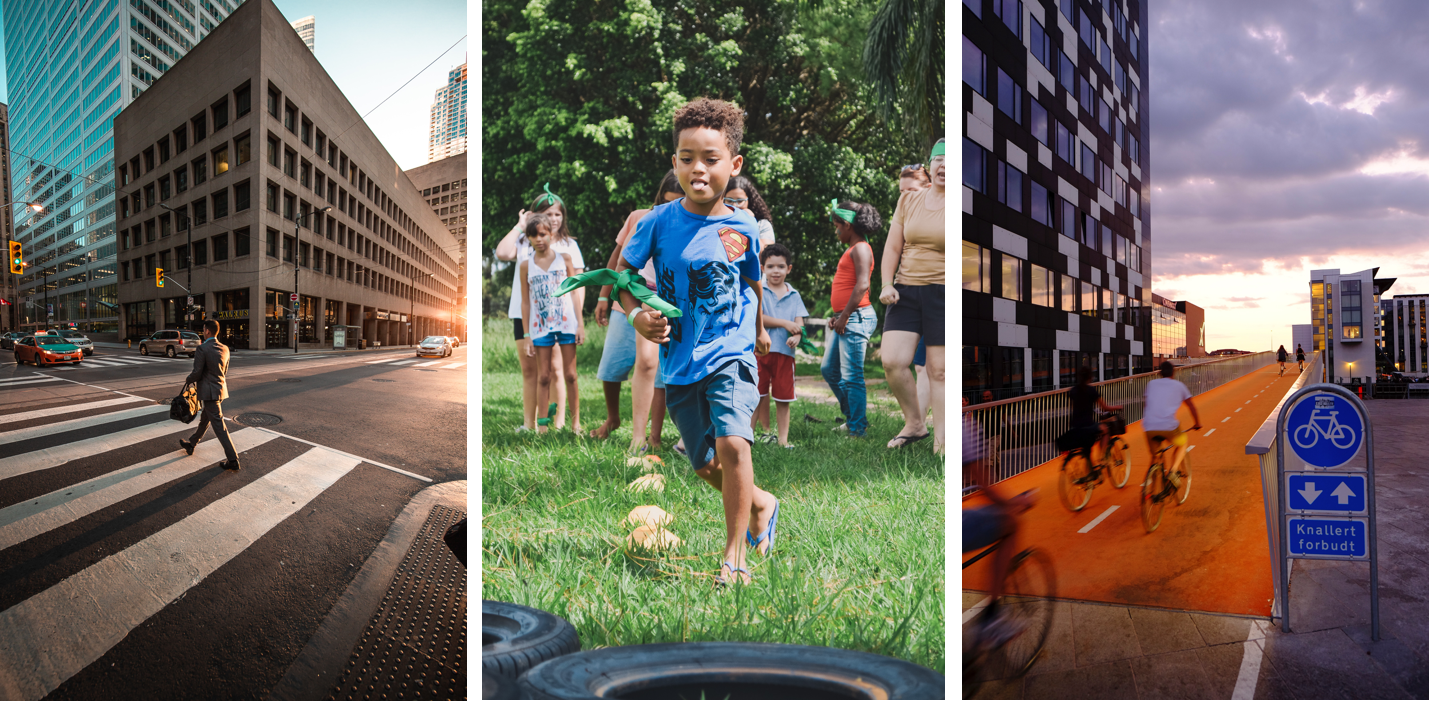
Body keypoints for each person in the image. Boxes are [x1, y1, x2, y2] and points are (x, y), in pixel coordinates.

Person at [616, 97, 780, 586]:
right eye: (687, 158)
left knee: (733, 443)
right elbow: (623, 277)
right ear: (674, 164)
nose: (699, 169)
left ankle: (734, 559)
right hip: (681, 359)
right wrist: (637, 317)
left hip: (731, 352)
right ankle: (761, 503)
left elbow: (749, 282)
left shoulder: (743, 225)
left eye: (711, 159)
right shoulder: (656, 224)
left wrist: (758, 330)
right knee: (704, 463)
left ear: (734, 164)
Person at [590, 171, 686, 452]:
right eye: (667, 203)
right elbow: (618, 260)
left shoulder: (691, 224)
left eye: (679, 203)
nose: (673, 210)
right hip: (630, 296)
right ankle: (616, 420)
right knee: (613, 366)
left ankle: (649, 437)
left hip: (665, 300)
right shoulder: (642, 218)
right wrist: (603, 296)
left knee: (653, 367)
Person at [494, 184, 586, 432]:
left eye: (557, 214)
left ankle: (558, 422)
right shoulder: (526, 241)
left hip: (559, 318)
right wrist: (520, 225)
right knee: (529, 370)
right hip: (524, 316)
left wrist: (577, 321)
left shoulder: (568, 246)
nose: (553, 219)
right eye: (546, 213)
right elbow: (502, 252)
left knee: (556, 370)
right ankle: (529, 423)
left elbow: (579, 284)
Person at [880, 139, 946, 455]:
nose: (944, 165)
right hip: (905, 290)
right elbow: (893, 246)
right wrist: (886, 283)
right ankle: (915, 423)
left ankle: (942, 444)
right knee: (892, 360)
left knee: (938, 371)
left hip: (942, 293)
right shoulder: (909, 201)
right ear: (930, 165)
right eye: (939, 159)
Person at [963, 394, 1035, 646]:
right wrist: (1016, 502)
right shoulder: (966, 423)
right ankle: (991, 620)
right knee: (1010, 523)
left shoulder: (974, 416)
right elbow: (985, 486)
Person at [520, 211, 585, 434]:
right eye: (533, 236)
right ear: (528, 238)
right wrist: (527, 334)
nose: (538, 239)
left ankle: (576, 424)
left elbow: (575, 294)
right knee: (544, 376)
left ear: (550, 234)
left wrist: (580, 324)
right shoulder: (525, 266)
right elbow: (525, 302)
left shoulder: (565, 259)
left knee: (570, 374)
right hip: (540, 328)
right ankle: (542, 427)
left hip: (566, 323)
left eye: (542, 234)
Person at [821, 199, 881, 439]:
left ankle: (857, 428)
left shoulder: (861, 249)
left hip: (856, 316)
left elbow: (863, 285)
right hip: (846, 317)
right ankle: (854, 419)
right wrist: (838, 317)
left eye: (836, 225)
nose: (836, 231)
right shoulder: (852, 249)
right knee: (829, 369)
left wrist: (844, 316)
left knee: (852, 375)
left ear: (846, 224)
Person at [751, 242, 809, 447]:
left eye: (781, 266)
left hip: (785, 354)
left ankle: (783, 440)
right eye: (770, 266)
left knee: (784, 399)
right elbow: (759, 318)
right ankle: (747, 438)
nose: (776, 271)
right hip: (760, 353)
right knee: (755, 395)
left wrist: (797, 337)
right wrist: (785, 323)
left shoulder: (794, 295)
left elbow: (799, 324)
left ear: (789, 269)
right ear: (762, 268)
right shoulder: (758, 290)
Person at [178, 319, 240, 470]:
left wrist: (189, 379)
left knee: (219, 426)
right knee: (205, 419)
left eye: (203, 329)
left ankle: (233, 460)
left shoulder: (203, 348)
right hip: (220, 390)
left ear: (207, 331)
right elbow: (224, 371)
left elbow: (197, 372)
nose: (203, 332)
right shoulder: (225, 348)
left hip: (208, 392)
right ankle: (192, 444)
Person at [1142, 361, 1202, 483]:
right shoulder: (1179, 385)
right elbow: (1191, 406)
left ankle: (1151, 492)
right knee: (1182, 443)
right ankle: (1173, 472)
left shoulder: (1151, 384)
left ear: (1159, 373)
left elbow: (1147, 404)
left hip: (1149, 426)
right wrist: (1197, 423)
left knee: (1156, 457)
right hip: (1168, 426)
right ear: (1173, 372)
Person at [1068, 366, 1123, 460]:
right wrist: (1117, 407)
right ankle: (1102, 458)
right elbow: (1105, 407)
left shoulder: (1073, 390)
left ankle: (1089, 469)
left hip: (1075, 426)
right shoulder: (1091, 390)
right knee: (1105, 430)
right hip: (1088, 425)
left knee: (1087, 453)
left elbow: (1077, 407)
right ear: (1090, 377)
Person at [723, 175, 777, 249]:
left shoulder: (761, 225)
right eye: (729, 201)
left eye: (740, 201)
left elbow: (766, 255)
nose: (735, 206)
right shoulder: (717, 222)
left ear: (749, 201)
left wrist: (749, 224)